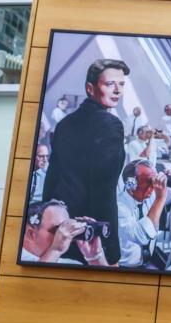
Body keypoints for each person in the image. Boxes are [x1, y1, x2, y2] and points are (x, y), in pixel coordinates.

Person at [42, 58, 129, 264]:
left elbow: (52, 180)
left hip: (62, 230)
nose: (117, 90)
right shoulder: (111, 125)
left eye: (121, 84)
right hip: (89, 236)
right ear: (90, 88)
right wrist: (110, 251)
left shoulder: (64, 124)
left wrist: (50, 235)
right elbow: (104, 191)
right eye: (110, 84)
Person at [117, 159, 171, 267]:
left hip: (150, 259)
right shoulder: (118, 206)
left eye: (155, 181)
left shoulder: (153, 192)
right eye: (149, 182)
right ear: (131, 184)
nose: (154, 186)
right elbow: (141, 237)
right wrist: (160, 198)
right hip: (127, 268)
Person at [21, 199, 109, 266]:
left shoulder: (70, 264)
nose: (65, 235)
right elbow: (34, 283)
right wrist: (55, 249)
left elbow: (108, 287)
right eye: (58, 230)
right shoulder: (15, 259)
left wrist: (95, 257)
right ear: (31, 234)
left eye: (66, 228)